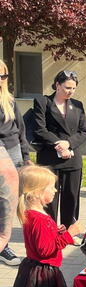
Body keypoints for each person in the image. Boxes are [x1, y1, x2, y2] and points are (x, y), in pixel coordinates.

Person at [33, 70, 86, 228]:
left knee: (71, 197)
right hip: (49, 158)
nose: (71, 91)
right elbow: (40, 129)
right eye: (67, 87)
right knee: (48, 197)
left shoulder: (77, 105)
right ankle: (49, 230)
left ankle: (68, 231)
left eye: (74, 88)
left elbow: (84, 131)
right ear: (57, 85)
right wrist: (59, 144)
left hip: (72, 158)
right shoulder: (42, 102)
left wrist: (68, 144)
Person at [0, 59, 31, 265]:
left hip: (14, 151)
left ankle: (5, 244)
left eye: (3, 75)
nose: (1, 79)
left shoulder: (9, 100)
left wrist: (26, 156)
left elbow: (21, 130)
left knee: (12, 202)